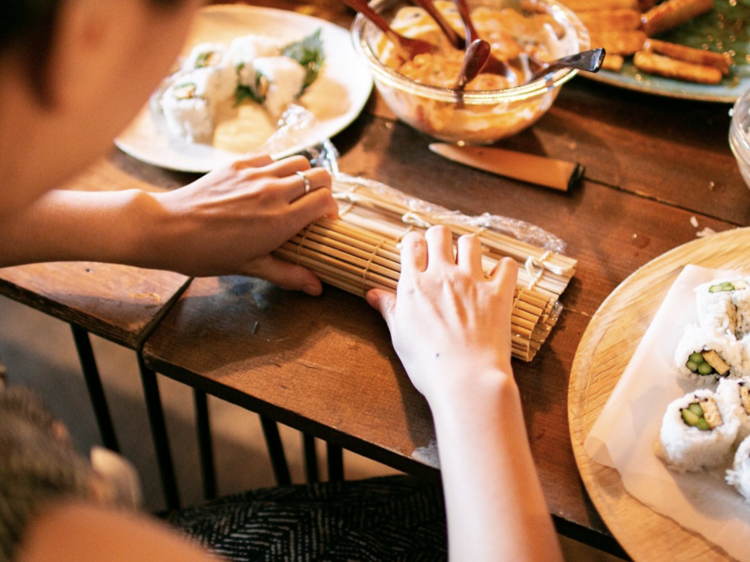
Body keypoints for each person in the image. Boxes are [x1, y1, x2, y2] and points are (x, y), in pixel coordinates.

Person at [0, 1, 563, 561]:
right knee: (428, 511)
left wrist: (148, 225)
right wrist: (472, 383)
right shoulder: (31, 520)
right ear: (87, 30)